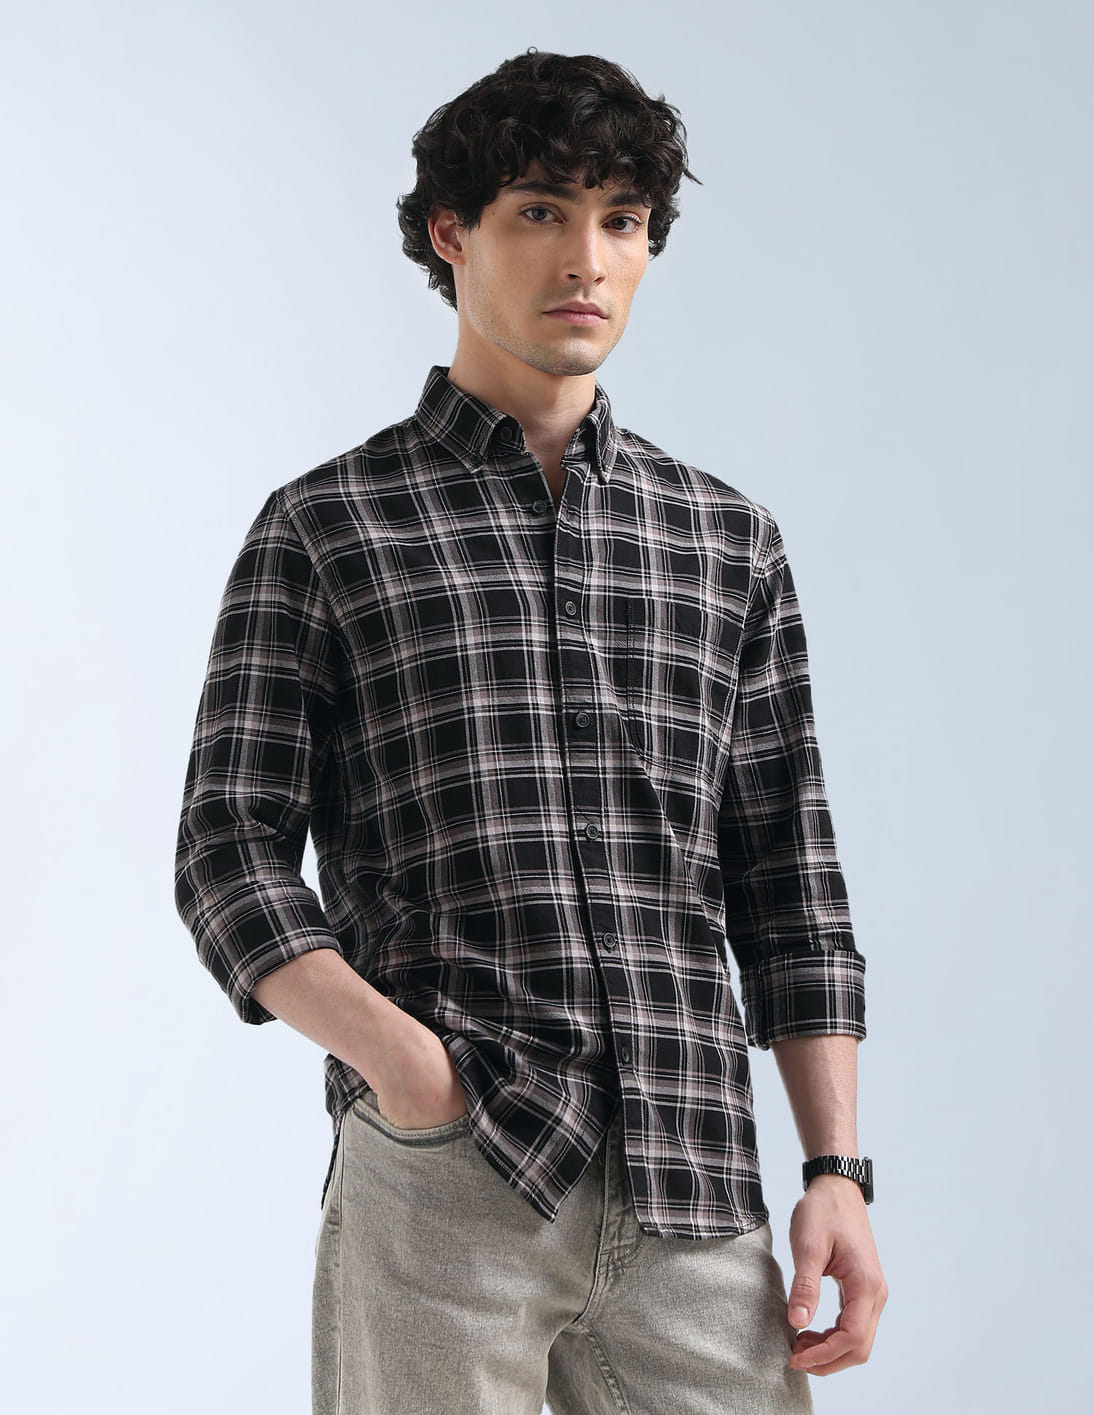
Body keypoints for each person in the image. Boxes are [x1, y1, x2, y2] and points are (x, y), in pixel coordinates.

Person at [174, 47, 887, 1415]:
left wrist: (835, 1173)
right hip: (454, 1175)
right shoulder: (328, 527)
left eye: (623, 220)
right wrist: (405, 1071)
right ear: (452, 233)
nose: (587, 260)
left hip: (694, 1187)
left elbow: (790, 885)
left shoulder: (725, 543)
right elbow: (227, 853)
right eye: (542, 212)